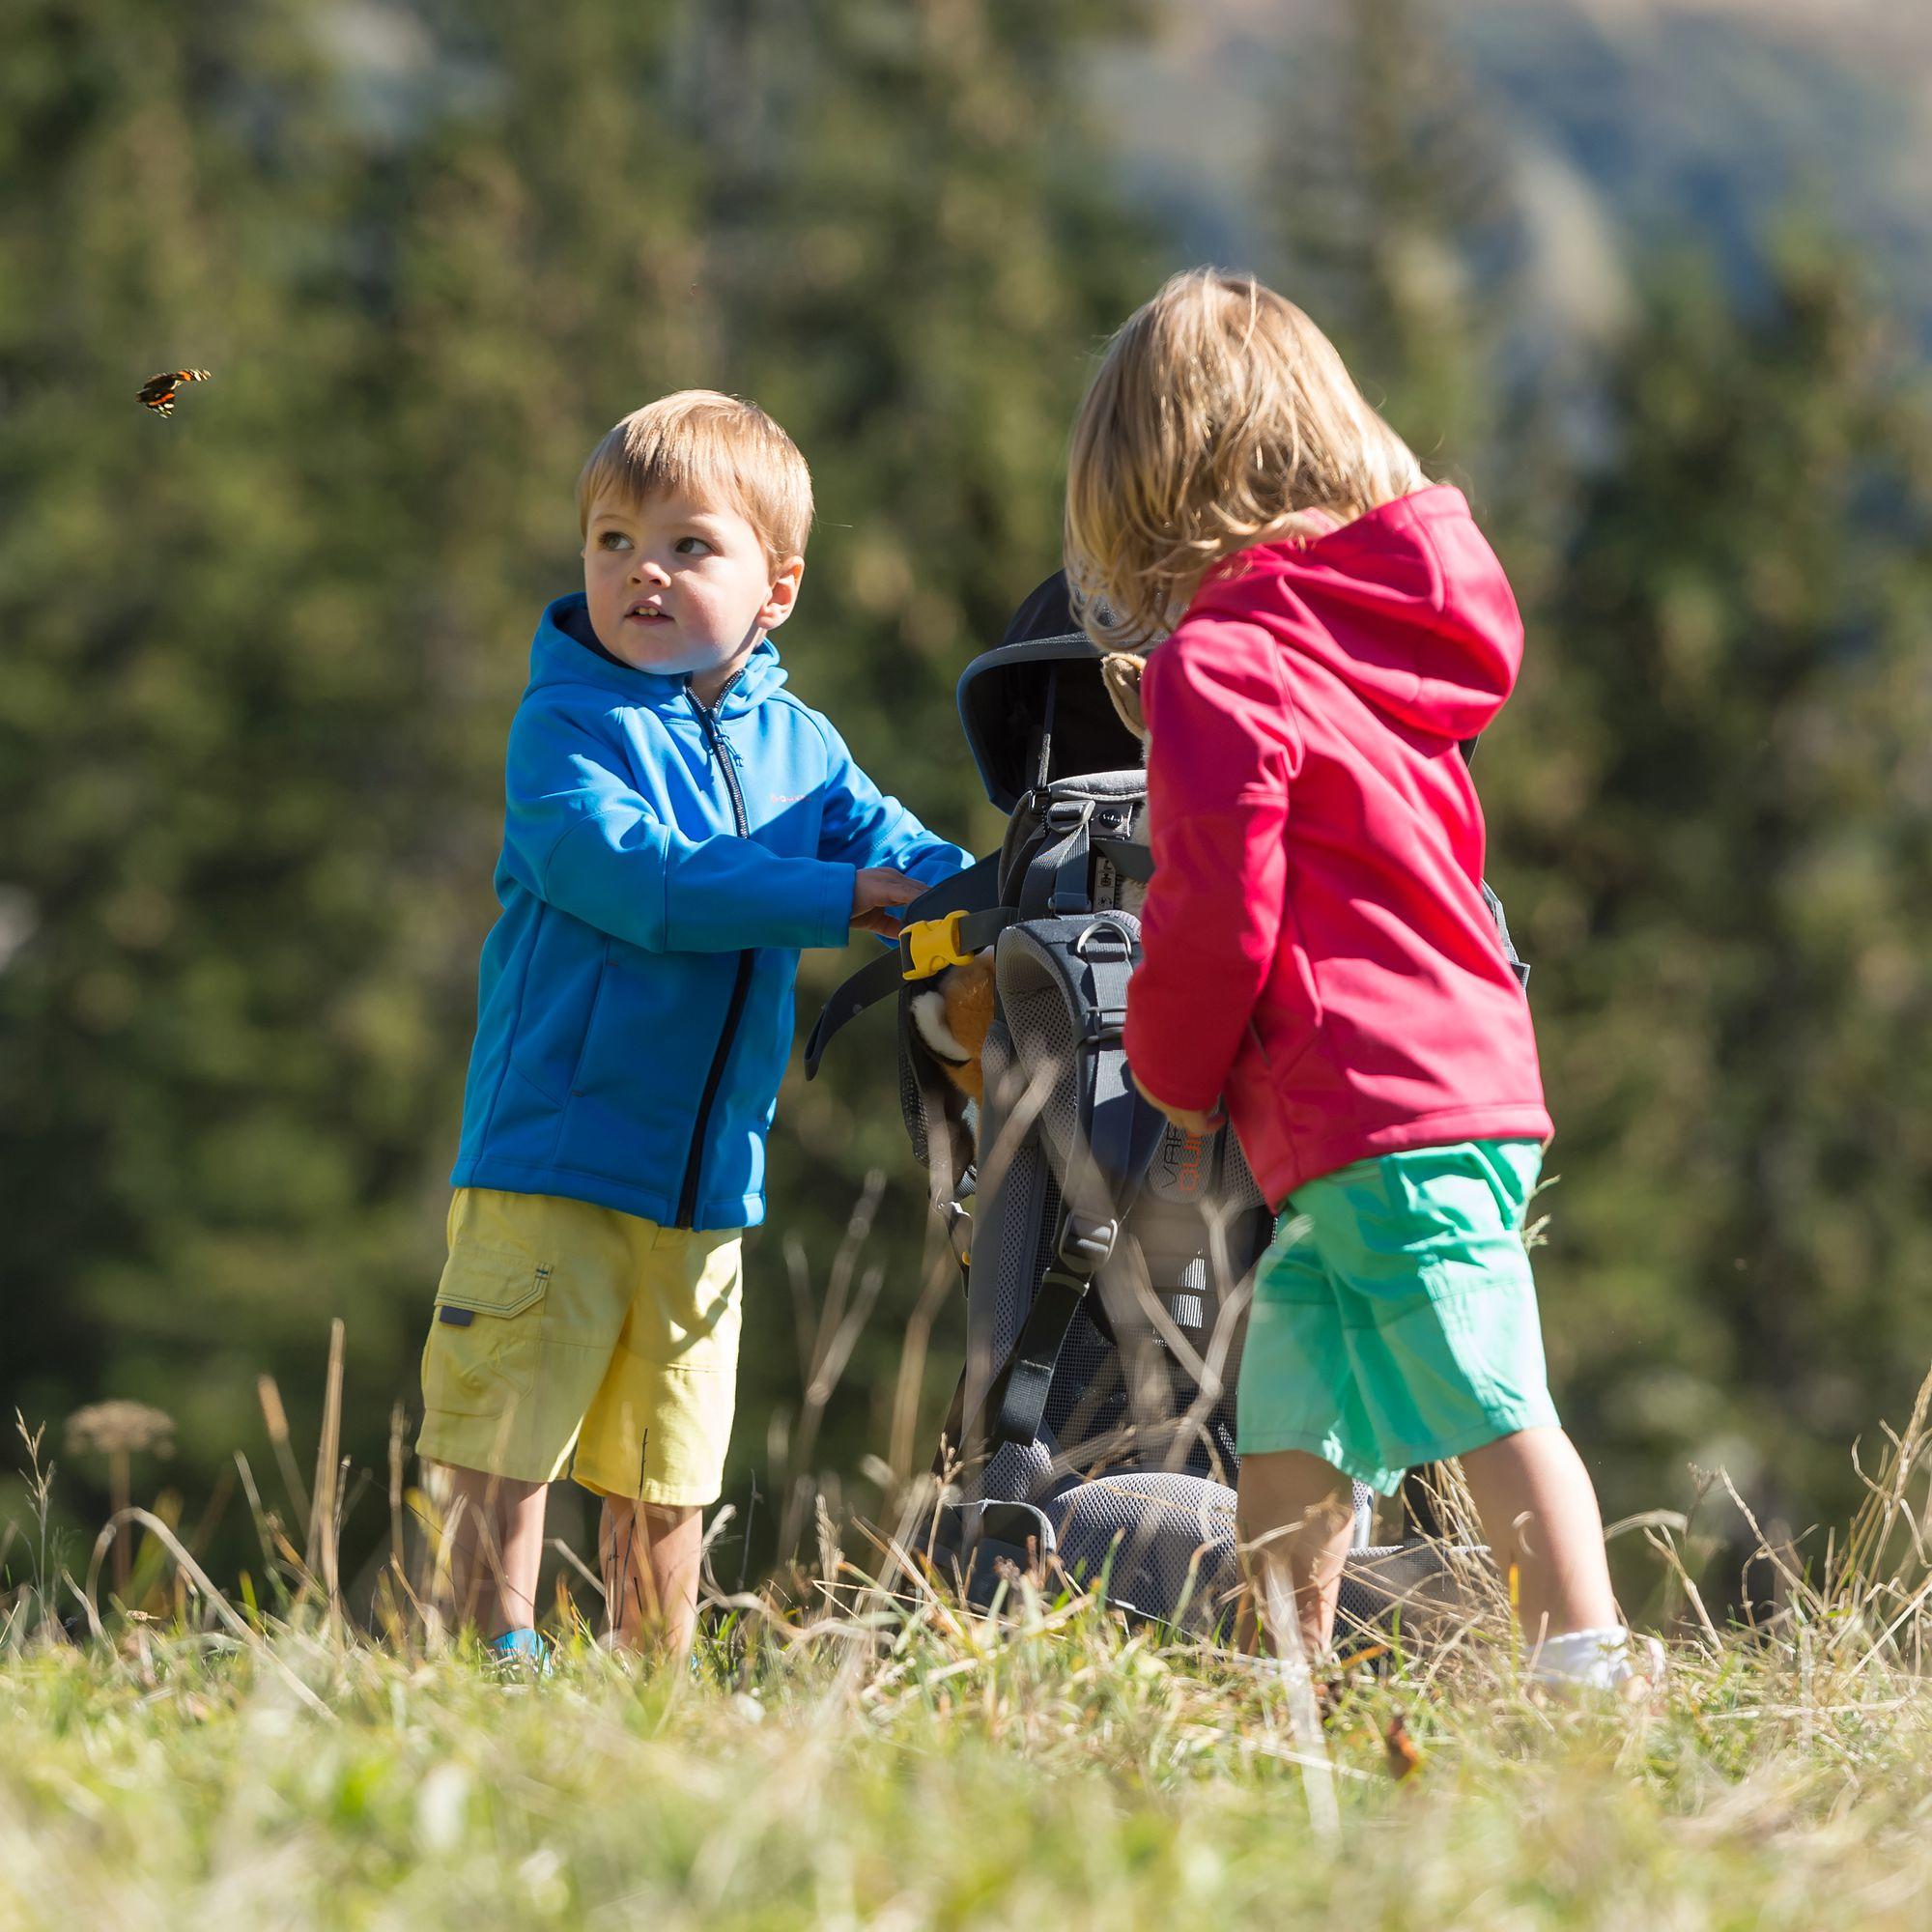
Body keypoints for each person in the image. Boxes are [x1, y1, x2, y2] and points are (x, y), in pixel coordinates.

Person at [1063, 270, 1646, 1690]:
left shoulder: (1227, 660)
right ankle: (1289, 1672)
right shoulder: (1378, 645)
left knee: (1483, 1389)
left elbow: (1216, 911)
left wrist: (1169, 1076)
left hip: (1374, 1103)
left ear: (1146, 492)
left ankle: (1590, 1668)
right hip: (1441, 1087)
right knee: (1294, 1406)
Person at [418, 389, 971, 1662]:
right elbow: (644, 881)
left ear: (777, 589)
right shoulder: (563, 728)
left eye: (687, 546)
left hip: (708, 1185)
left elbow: (905, 856)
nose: (642, 572)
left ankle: (652, 1690)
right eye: (612, 542)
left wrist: (994, 896)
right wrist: (841, 898)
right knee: (503, 1444)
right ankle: (481, 1664)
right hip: (552, 1158)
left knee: (668, 1468)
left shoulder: (802, 747)